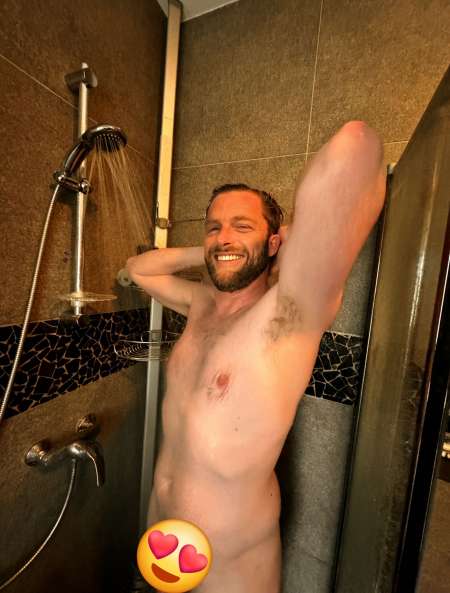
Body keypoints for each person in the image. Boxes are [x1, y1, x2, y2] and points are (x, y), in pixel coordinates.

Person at [126, 121, 387, 593]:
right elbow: (138, 269)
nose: (223, 236)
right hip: (162, 537)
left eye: (242, 226)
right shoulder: (202, 304)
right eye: (214, 227)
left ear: (274, 242)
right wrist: (216, 249)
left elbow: (357, 145)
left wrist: (281, 244)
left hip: (230, 565)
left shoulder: (288, 311)